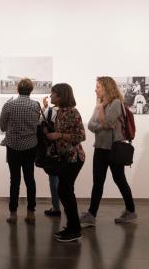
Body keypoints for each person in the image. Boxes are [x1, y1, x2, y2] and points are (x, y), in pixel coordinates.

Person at [81, 76, 137, 228]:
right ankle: (91, 215)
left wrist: (100, 114)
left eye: (98, 87)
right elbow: (91, 126)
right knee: (97, 183)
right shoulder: (99, 104)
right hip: (100, 148)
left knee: (120, 180)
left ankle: (131, 211)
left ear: (106, 87)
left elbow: (108, 122)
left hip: (113, 149)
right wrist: (102, 120)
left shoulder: (116, 103)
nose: (95, 89)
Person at [44, 84, 86, 242]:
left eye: (53, 93)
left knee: (65, 192)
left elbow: (81, 136)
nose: (50, 96)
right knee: (65, 192)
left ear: (60, 95)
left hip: (74, 158)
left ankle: (75, 229)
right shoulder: (60, 111)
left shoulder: (72, 112)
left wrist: (59, 135)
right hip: (66, 158)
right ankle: (72, 227)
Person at [0, 78, 41, 224]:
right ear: (31, 90)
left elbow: (3, 127)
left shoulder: (9, 105)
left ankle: (13, 213)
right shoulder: (36, 105)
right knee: (30, 179)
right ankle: (31, 213)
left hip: (13, 147)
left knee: (14, 180)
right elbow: (37, 125)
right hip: (31, 146)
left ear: (17, 89)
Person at [41, 96, 61, 218]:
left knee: (54, 179)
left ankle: (56, 207)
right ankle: (58, 207)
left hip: (53, 149)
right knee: (62, 181)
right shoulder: (72, 111)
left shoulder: (50, 111)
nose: (50, 95)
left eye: (53, 93)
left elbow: (41, 124)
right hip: (67, 150)